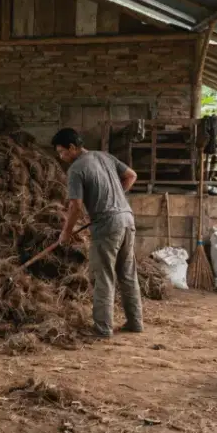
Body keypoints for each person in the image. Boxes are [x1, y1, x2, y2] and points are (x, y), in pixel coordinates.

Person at [53, 128, 143, 337]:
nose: (61, 157)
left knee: (103, 277)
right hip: (127, 219)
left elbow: (75, 206)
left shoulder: (76, 169)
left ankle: (103, 329)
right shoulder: (105, 157)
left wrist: (66, 233)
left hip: (107, 226)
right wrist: (115, 197)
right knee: (127, 274)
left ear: (73, 148)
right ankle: (135, 323)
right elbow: (131, 175)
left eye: (62, 152)